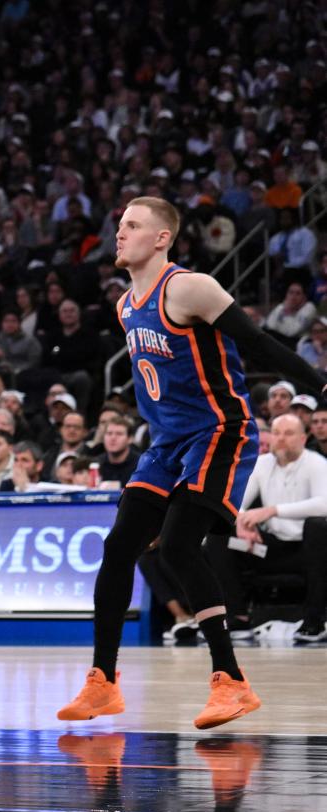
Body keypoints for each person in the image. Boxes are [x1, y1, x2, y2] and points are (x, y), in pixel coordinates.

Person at [58, 196, 325, 730]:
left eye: (132, 225)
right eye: (120, 225)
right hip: (166, 443)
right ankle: (103, 683)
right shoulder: (124, 304)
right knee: (118, 548)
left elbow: (259, 345)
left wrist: (321, 384)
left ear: (162, 238)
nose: (119, 233)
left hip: (221, 433)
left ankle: (231, 682)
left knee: (180, 543)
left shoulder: (189, 288)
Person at [203, 414, 327, 642]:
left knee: (317, 526)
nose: (281, 439)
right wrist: (241, 522)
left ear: (302, 438)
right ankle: (238, 618)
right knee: (220, 536)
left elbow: (323, 505)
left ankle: (315, 621)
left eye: (288, 433)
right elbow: (234, 503)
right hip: (267, 549)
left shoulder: (317, 463)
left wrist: (272, 510)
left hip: (309, 551)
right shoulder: (261, 463)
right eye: (277, 433)